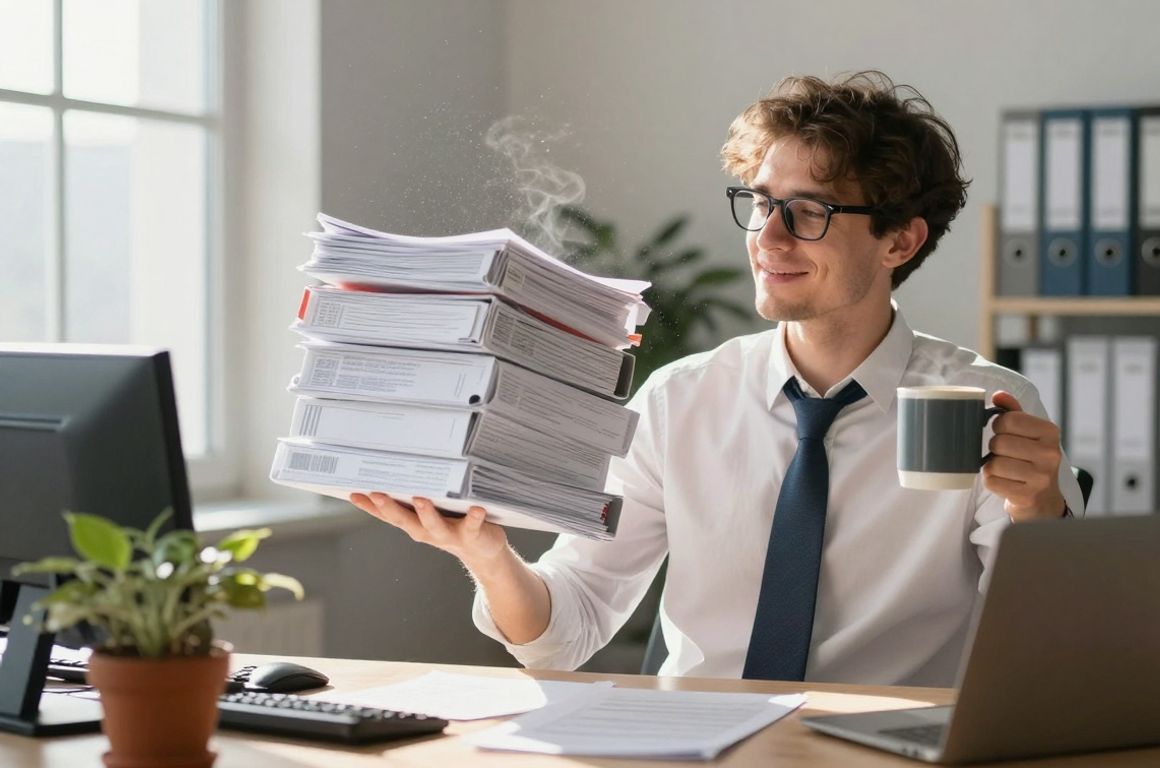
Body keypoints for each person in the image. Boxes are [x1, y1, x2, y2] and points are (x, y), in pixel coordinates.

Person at [350, 71, 1084, 686]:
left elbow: (1052, 649)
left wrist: (1040, 511)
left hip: (883, 753)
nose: (766, 238)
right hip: (699, 748)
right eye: (762, 204)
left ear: (900, 239)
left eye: (809, 213)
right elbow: (561, 632)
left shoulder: (987, 405)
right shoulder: (682, 401)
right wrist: (487, 554)